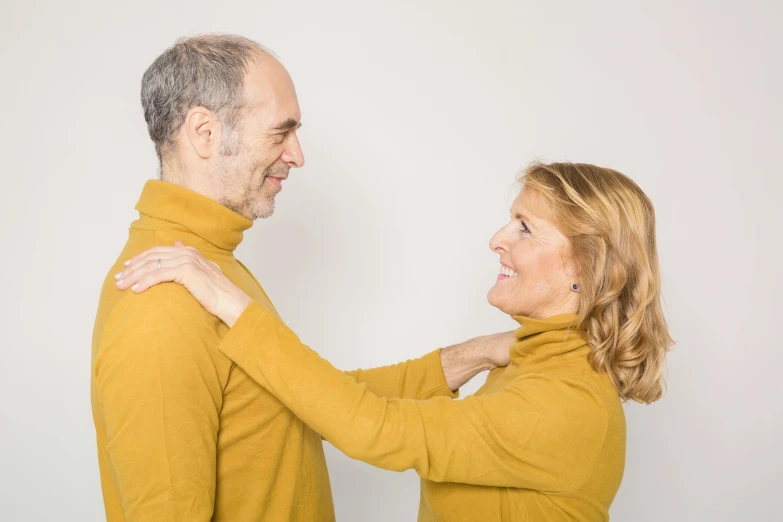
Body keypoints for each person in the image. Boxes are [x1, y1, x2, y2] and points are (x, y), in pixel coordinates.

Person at [91, 34, 512, 522]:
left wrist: (473, 355)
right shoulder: (163, 303)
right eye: (280, 132)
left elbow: (310, 394)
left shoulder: (209, 266)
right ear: (204, 132)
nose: (297, 155)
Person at [118, 161, 674, 521]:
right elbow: (338, 399)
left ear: (590, 264)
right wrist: (476, 352)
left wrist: (235, 309)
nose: (497, 240)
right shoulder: (531, 361)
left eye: (525, 228)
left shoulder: (564, 403)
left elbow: (373, 429)